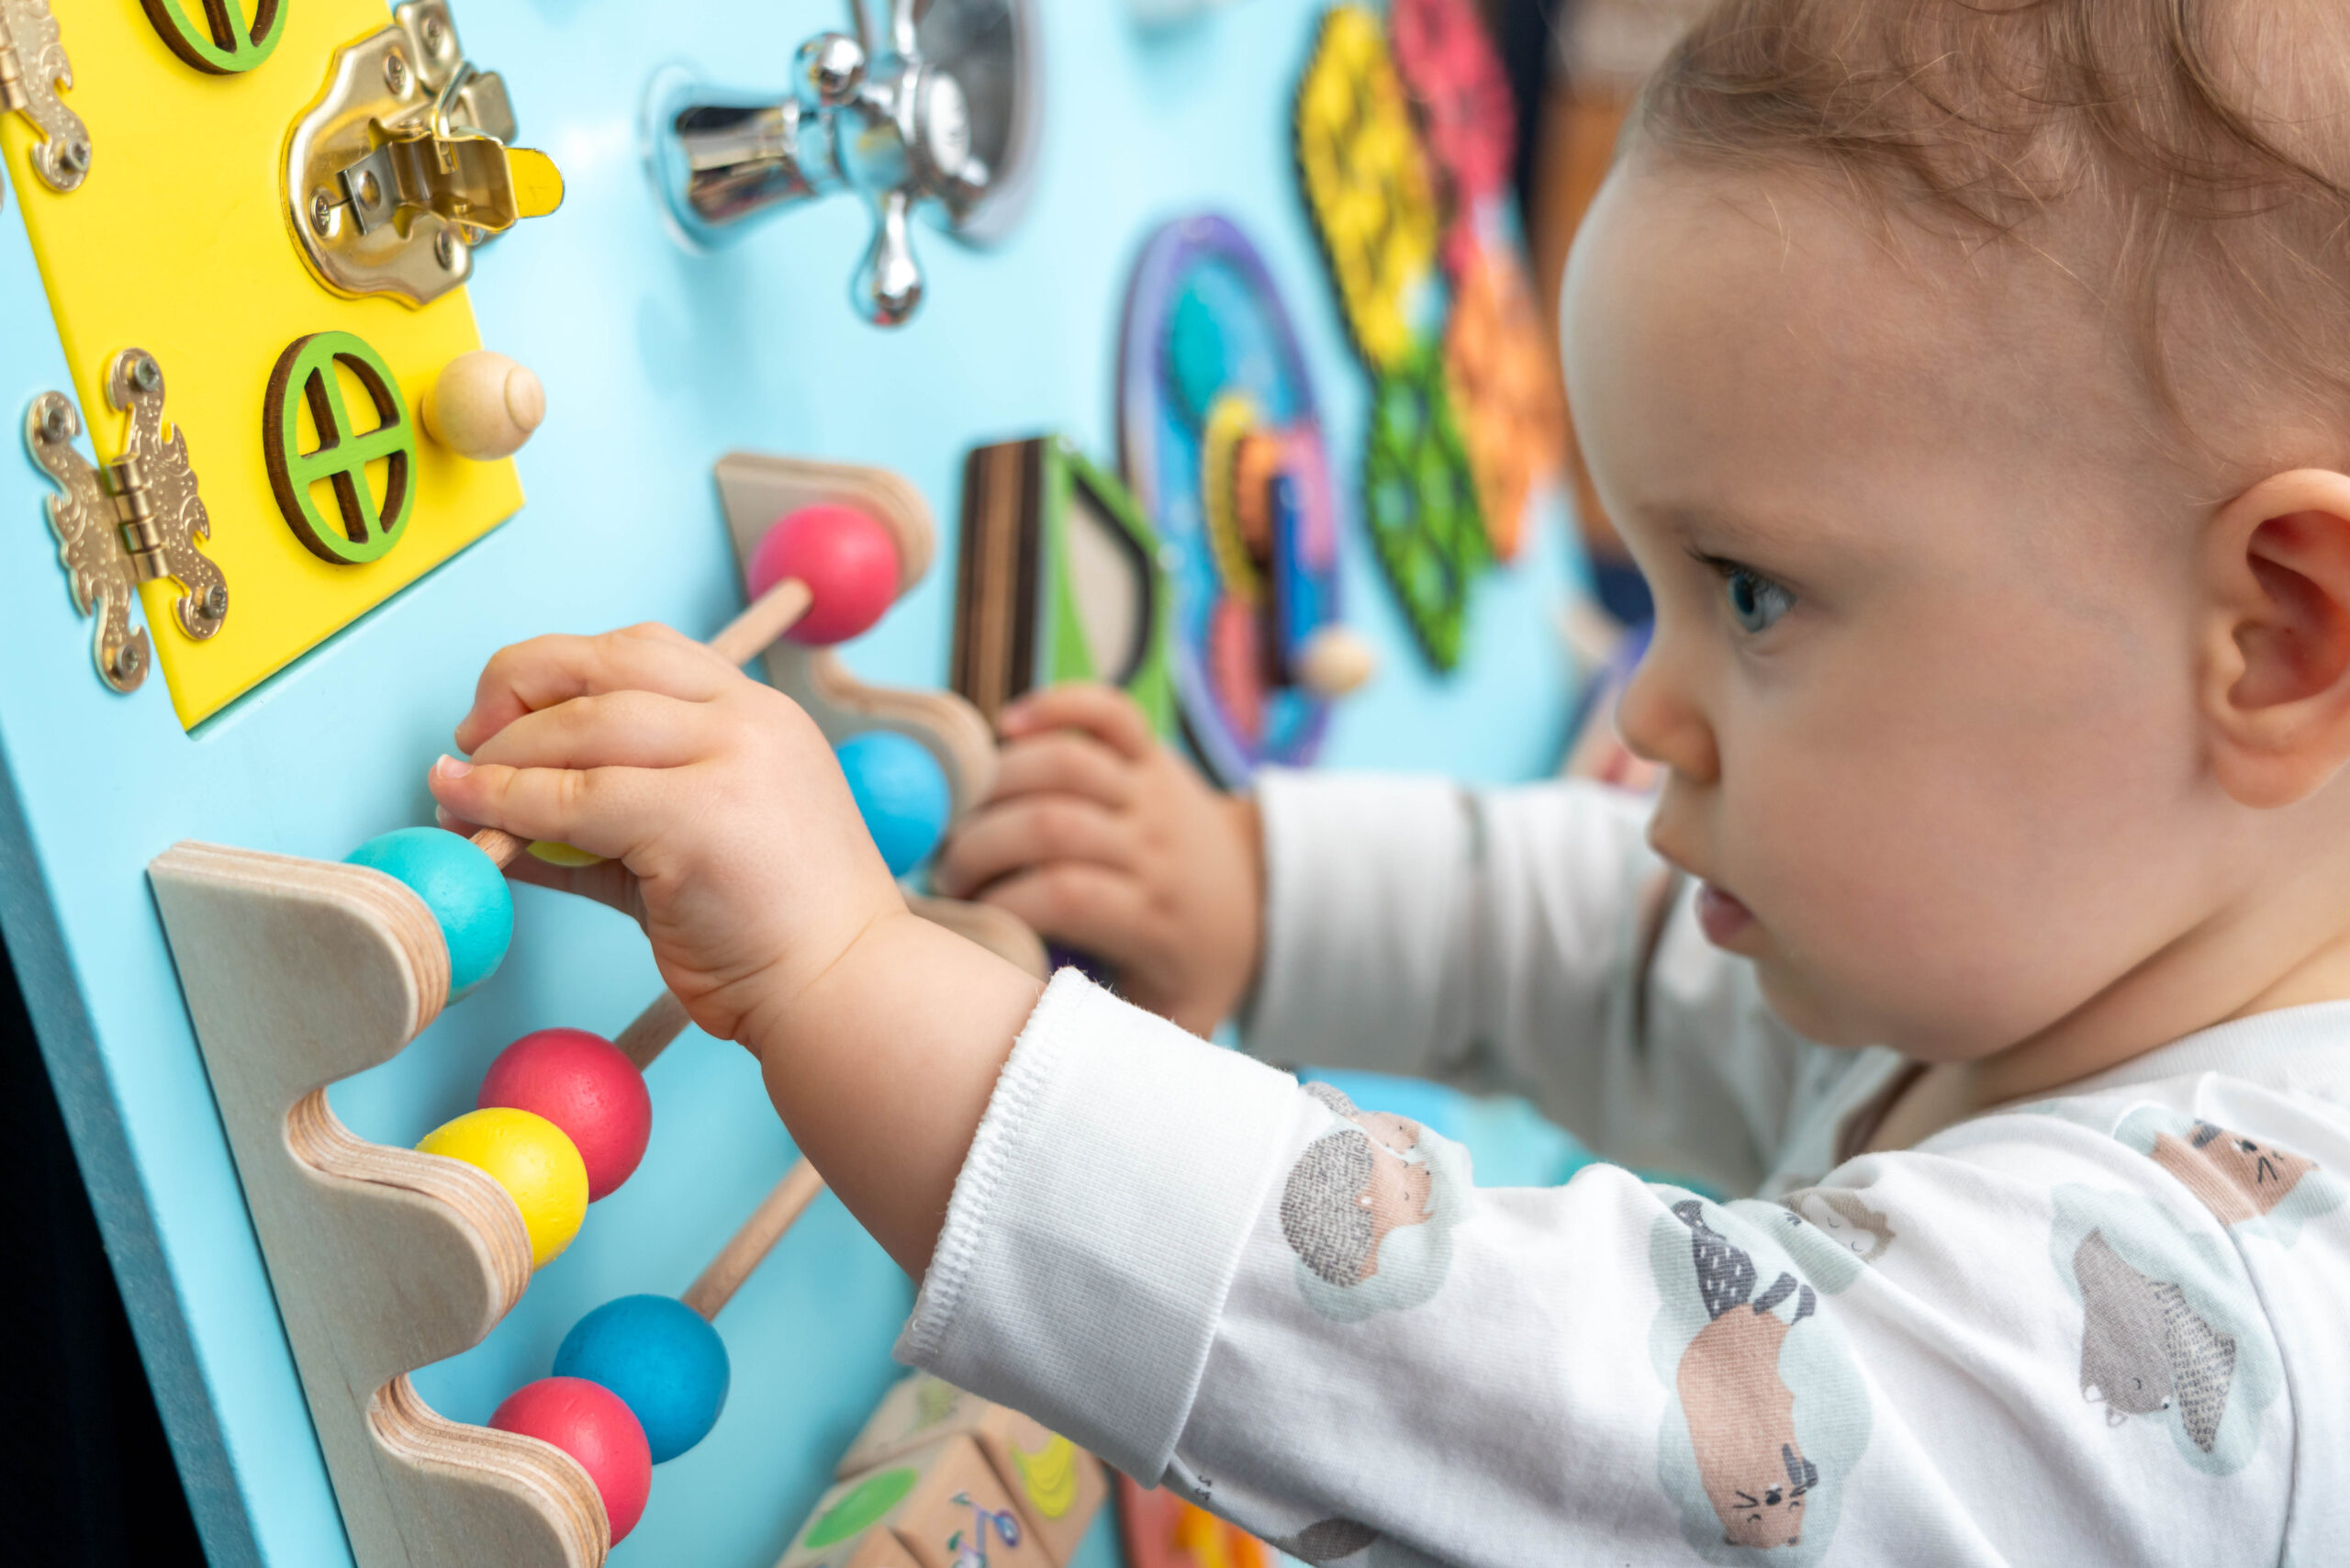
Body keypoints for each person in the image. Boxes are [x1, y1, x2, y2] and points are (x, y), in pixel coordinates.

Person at [426, 1, 2350, 1559]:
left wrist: (855, 986)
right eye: (1650, 586)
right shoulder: (2102, 927)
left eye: (1751, 593)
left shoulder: (2214, 1376)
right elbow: (1631, 942)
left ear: (2273, 634)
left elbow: (1531, 1385)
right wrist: (1265, 890)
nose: (1649, 712)